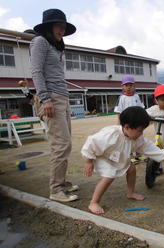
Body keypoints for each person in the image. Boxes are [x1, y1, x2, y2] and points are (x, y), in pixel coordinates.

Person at [82, 106, 164, 215]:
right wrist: (89, 162)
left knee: (131, 168)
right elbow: (91, 143)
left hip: (117, 158)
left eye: (143, 130)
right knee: (109, 175)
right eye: (139, 130)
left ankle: (130, 192)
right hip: (101, 157)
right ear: (127, 127)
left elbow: (149, 147)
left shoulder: (136, 137)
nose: (141, 133)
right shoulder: (110, 134)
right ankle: (94, 202)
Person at [30, 9, 79, 202]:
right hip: (51, 97)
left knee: (65, 144)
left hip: (62, 96)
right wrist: (44, 98)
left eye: (64, 27)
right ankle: (56, 189)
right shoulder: (40, 42)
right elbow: (36, 71)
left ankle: (62, 181)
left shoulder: (56, 47)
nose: (62, 29)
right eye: (59, 26)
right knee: (61, 144)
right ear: (49, 26)